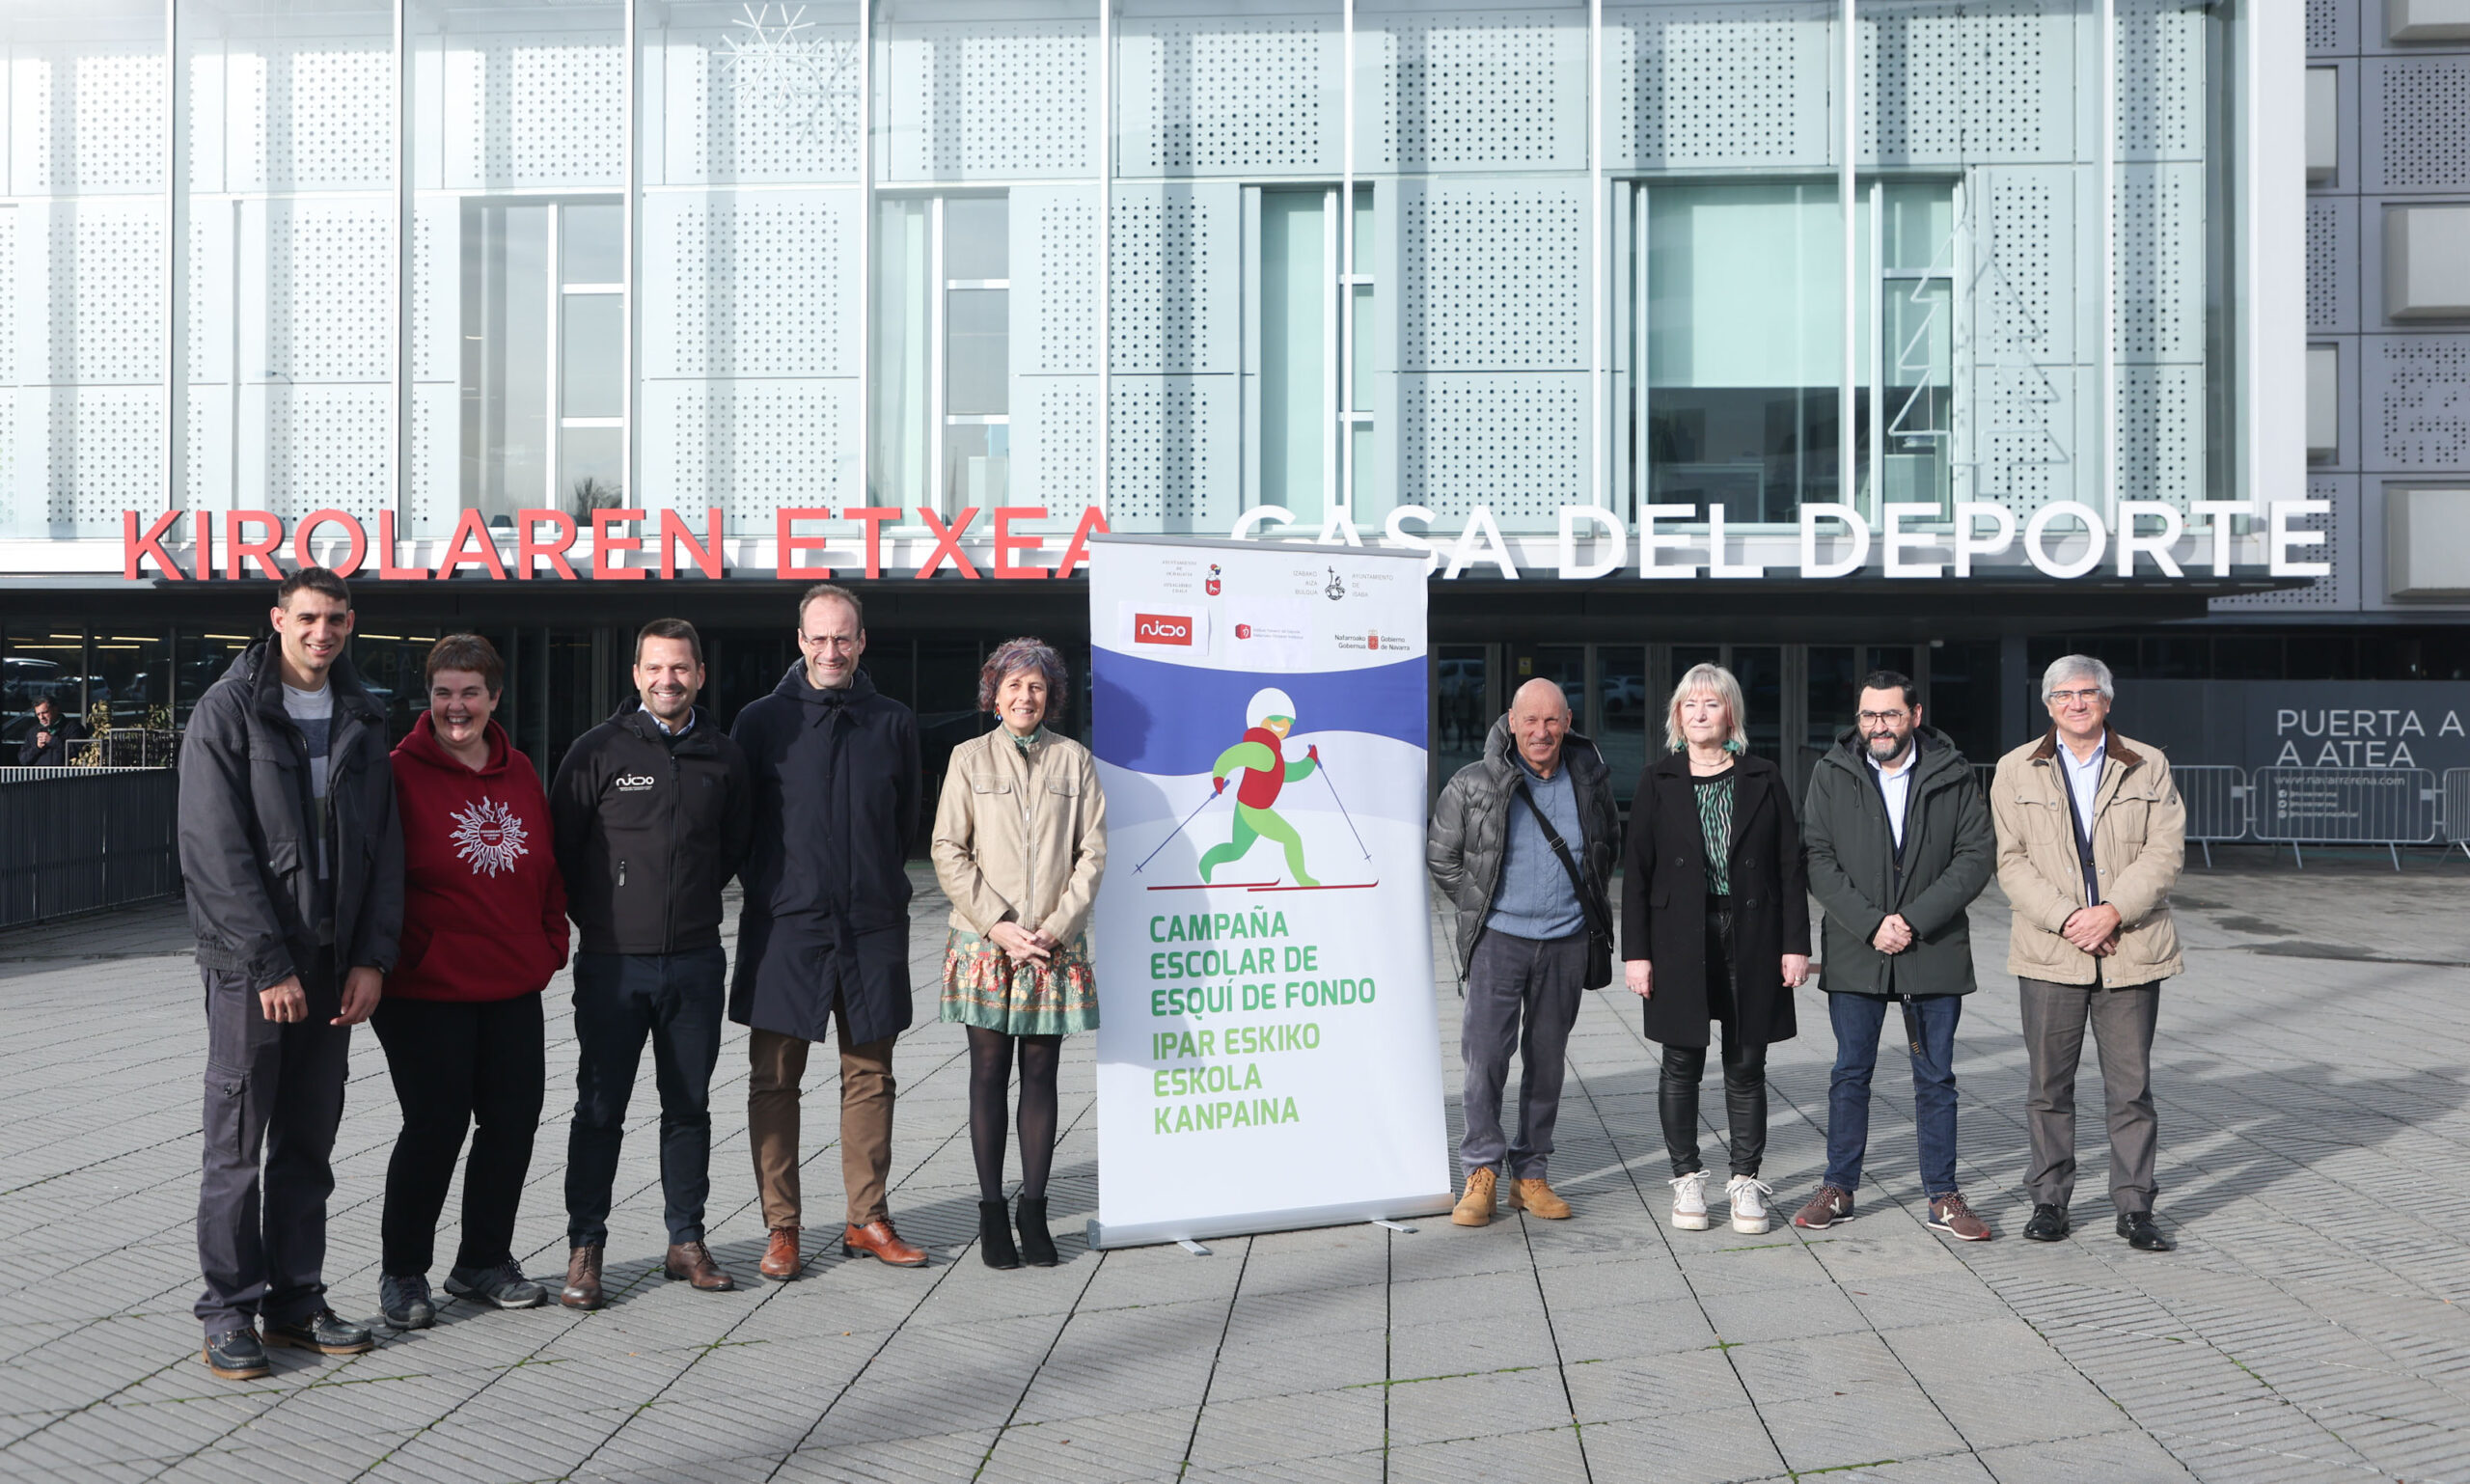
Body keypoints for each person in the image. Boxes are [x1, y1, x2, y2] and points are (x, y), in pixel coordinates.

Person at [178, 567, 399, 1380]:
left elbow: (385, 852)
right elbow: (214, 853)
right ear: (278, 619)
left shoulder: (363, 715)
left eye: (336, 618)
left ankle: (295, 1301)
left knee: (308, 1141)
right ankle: (229, 1311)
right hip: (251, 970)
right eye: (308, 617)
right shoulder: (228, 712)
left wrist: (373, 957)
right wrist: (268, 963)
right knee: (237, 1145)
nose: (322, 632)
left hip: (334, 960)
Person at [552, 618, 753, 1307]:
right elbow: (563, 853)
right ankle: (585, 1248)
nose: (668, 680)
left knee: (688, 1107)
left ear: (699, 673)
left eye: (681, 668)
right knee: (599, 1109)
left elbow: (730, 849)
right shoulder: (595, 752)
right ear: (636, 674)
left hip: (695, 961)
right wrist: (609, 919)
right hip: (613, 966)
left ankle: (686, 1241)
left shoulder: (723, 757)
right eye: (655, 668)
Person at [372, 635, 569, 1330]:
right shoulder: (396, 773)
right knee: (435, 1126)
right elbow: (375, 878)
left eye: (471, 693)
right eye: (444, 693)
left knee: (511, 1125)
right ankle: (403, 1273)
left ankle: (482, 1260)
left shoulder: (520, 774)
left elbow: (545, 866)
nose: (457, 707)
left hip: (511, 984)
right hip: (424, 991)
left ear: (495, 698)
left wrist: (550, 944)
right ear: (428, 699)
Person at [730, 583, 926, 1275]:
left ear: (862, 641)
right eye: (819, 637)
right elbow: (741, 826)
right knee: (774, 1079)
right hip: (787, 926)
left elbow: (905, 825)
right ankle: (781, 1227)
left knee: (870, 1075)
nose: (831, 649)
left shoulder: (893, 721)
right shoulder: (760, 722)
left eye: (843, 637)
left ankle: (867, 1219)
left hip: (871, 923)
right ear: (800, 641)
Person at [1990, 655, 2185, 1252]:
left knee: (2130, 1089)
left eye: (2088, 693)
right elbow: (2010, 860)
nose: (2076, 703)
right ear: (2048, 704)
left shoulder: (2147, 764)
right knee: (2049, 1086)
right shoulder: (2014, 769)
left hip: (2130, 949)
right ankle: (2049, 1202)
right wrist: (2071, 919)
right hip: (2051, 952)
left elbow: (2164, 853)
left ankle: (2134, 1208)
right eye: (2064, 694)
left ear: (2107, 700)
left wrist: (2112, 912)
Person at [1795, 670, 1997, 1241]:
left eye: (1889, 715)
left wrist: (1910, 921)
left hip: (1932, 951)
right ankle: (1839, 1187)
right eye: (1867, 716)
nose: (1877, 726)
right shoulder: (1832, 773)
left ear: (1914, 714)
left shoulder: (1953, 774)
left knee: (1935, 1079)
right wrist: (1870, 924)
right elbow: (1816, 856)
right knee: (1849, 1074)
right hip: (1859, 952)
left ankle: (1943, 1196)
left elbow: (1975, 855)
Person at [930, 638, 1107, 1269]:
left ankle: (1034, 1210)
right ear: (994, 694)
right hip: (987, 942)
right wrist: (999, 924)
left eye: (1036, 686)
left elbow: (1093, 852)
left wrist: (1056, 927)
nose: (1024, 696)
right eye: (1013, 685)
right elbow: (948, 848)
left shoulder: (1075, 762)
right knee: (987, 1074)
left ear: (1050, 695)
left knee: (1041, 1073)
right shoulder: (968, 759)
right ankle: (989, 1213)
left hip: (1050, 948)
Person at [1622, 663, 1811, 1236]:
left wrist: (1795, 945)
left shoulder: (1763, 775)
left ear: (1731, 714)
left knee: (1746, 1064)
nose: (1700, 714)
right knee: (1680, 1063)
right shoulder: (1657, 779)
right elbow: (1636, 872)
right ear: (1677, 717)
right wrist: (1637, 953)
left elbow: (1788, 866)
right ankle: (1686, 1178)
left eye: (1711, 704)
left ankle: (1746, 1183)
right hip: (1679, 937)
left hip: (1750, 935)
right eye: (1690, 705)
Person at [1427, 677, 1619, 1226]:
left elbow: (1607, 850)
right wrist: (1484, 906)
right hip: (1499, 942)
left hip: (1565, 942)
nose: (1541, 731)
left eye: (1552, 720)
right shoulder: (1472, 783)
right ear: (1511, 722)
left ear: (1568, 722)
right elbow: (1442, 855)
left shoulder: (1590, 779)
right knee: (1484, 1060)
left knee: (1547, 1063)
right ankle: (1481, 1172)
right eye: (1530, 720)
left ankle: (1529, 1174)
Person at [1198, 688, 1322, 886]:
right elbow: (1232, 757)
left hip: (1246, 807)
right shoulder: (1260, 748)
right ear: (1260, 719)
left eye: (1288, 722)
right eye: (1276, 719)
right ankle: (1303, 880)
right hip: (1254, 811)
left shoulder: (1273, 752)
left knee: (1236, 850)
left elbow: (1290, 773)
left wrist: (1310, 760)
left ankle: (1207, 862)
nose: (1283, 725)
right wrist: (1219, 776)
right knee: (1292, 839)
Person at [16, 695, 88, 765]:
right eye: (38, 714)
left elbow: (80, 753)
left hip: (66, 775)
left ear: (55, 709)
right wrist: (37, 748)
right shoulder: (32, 732)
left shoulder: (73, 728)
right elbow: (23, 760)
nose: (41, 717)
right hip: (40, 776)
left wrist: (52, 741)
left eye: (45, 712)